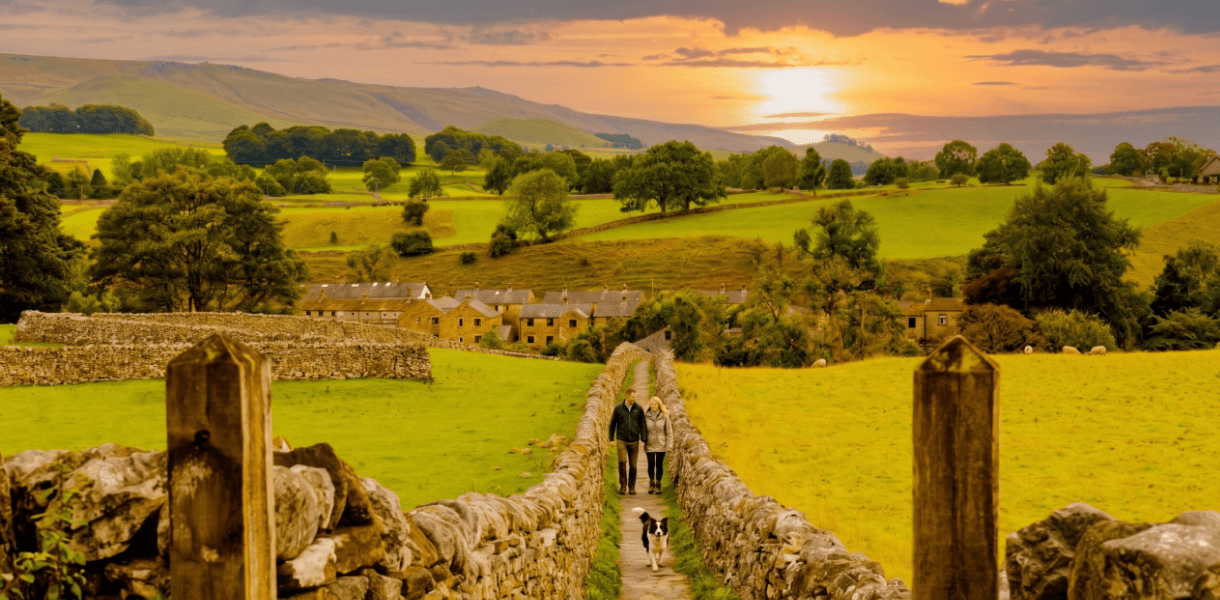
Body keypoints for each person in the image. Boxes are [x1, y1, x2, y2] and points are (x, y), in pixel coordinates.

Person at [608, 387, 647, 494]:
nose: (634, 399)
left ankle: (632, 487)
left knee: (633, 465)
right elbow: (612, 424)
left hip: (634, 440)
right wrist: (611, 438)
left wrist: (643, 439)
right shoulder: (618, 408)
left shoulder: (639, 409)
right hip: (621, 439)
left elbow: (643, 424)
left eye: (635, 397)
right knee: (622, 462)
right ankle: (623, 485)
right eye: (632, 397)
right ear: (627, 396)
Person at [643, 396, 673, 494]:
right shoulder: (645, 416)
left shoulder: (664, 417)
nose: (653, 406)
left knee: (659, 465)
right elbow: (642, 430)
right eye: (651, 404)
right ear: (649, 405)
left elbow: (669, 432)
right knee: (651, 464)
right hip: (649, 445)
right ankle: (651, 483)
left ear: (659, 405)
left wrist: (669, 445)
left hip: (661, 445)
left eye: (655, 404)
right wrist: (642, 440)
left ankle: (658, 484)